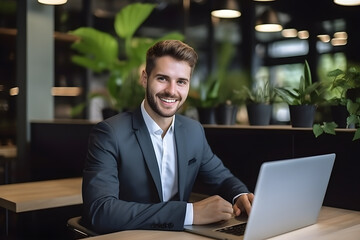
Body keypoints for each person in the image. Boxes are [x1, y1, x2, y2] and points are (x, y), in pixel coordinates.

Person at [82, 40, 254, 234]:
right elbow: (100, 211)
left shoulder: (193, 131)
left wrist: (240, 195)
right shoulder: (109, 133)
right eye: (163, 78)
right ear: (145, 78)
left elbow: (222, 179)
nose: (172, 91)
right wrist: (190, 213)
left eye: (181, 81)